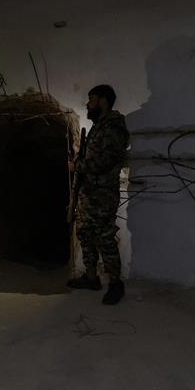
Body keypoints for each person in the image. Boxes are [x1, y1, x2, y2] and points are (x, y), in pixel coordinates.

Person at [66, 84, 130, 304]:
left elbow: (105, 161)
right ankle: (91, 277)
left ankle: (115, 283)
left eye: (91, 99)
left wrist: (78, 166)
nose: (87, 104)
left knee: (104, 238)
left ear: (103, 101)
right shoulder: (98, 126)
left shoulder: (113, 127)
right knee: (85, 234)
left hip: (102, 195)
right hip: (89, 193)